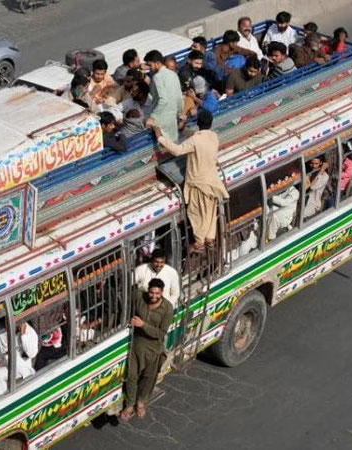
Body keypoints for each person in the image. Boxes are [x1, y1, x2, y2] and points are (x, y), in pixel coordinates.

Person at [152, 110, 229, 252]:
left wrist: (160, 137)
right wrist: (184, 129)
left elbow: (177, 150)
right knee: (210, 212)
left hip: (198, 183)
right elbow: (196, 139)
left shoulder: (195, 140)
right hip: (212, 181)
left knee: (196, 212)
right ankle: (209, 239)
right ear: (211, 123)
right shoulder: (213, 136)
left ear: (198, 123)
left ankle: (199, 242)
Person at [120, 278, 173, 421]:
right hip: (136, 345)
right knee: (132, 376)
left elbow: (161, 333)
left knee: (149, 378)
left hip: (153, 349)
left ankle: (141, 403)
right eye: (151, 292)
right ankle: (129, 404)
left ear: (162, 292)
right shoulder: (139, 296)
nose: (154, 296)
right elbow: (126, 294)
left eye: (157, 293)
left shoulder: (167, 308)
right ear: (147, 290)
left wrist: (142, 325)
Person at [144, 50, 184, 142]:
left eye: (150, 65)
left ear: (157, 63)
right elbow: (179, 97)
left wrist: (152, 117)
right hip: (173, 118)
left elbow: (163, 100)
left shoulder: (158, 77)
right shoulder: (173, 74)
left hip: (161, 119)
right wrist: (179, 113)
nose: (150, 68)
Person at [266, 176, 300, 241]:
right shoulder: (282, 190)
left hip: (285, 218)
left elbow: (284, 203)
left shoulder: (295, 192)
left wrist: (270, 196)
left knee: (274, 215)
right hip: (278, 212)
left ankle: (271, 238)